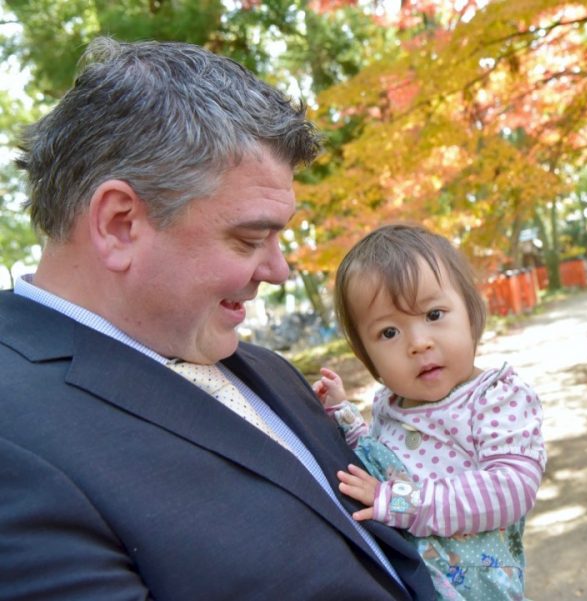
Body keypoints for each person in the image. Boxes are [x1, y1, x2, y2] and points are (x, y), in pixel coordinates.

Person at [0, 37, 435, 600]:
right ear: (119, 224)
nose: (278, 270)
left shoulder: (267, 368)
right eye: (250, 237)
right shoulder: (13, 434)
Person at [312, 224, 547, 600]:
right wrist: (343, 417)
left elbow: (511, 489)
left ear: (471, 313)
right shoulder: (390, 404)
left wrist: (401, 503)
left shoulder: (495, 397)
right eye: (389, 333)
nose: (419, 343)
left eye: (434, 314)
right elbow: (383, 467)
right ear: (366, 355)